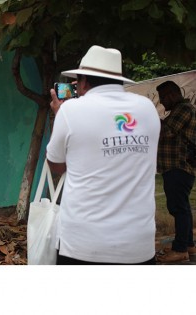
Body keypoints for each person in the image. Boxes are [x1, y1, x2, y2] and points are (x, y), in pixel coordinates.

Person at [46, 45, 160, 264]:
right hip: (139, 245)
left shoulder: (71, 111)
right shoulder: (147, 108)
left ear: (84, 81)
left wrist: (61, 115)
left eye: (77, 82)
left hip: (84, 245)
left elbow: (56, 165)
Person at [155, 81, 196, 263]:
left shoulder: (184, 109)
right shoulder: (180, 110)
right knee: (182, 207)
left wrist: (149, 117)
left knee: (178, 208)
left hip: (178, 167)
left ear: (172, 94)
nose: (162, 103)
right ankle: (188, 244)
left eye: (163, 98)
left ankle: (180, 249)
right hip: (175, 168)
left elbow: (167, 131)